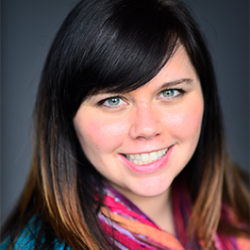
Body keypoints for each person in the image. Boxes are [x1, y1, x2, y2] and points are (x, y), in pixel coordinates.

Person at [1, 0, 249, 249]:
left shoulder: (243, 212)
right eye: (113, 100)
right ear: (67, 116)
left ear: (206, 95)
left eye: (171, 92)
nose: (147, 128)